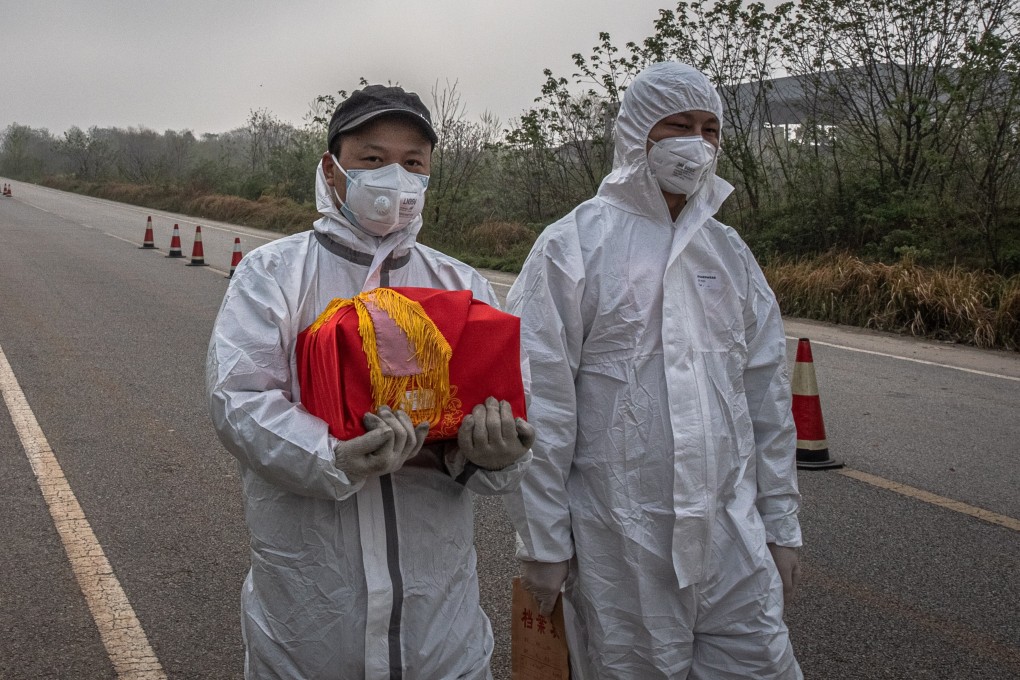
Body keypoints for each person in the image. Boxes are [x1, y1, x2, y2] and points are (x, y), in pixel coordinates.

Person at [207, 84, 534, 680]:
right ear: (332, 172)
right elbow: (240, 399)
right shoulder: (274, 274)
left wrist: (495, 456)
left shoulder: (462, 286)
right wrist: (333, 455)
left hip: (439, 617)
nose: (396, 177)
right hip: (312, 606)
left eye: (413, 164)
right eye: (373, 159)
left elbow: (503, 401)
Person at [503, 62, 804, 679]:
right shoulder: (574, 246)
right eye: (678, 125)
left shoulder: (728, 252)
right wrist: (544, 542)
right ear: (639, 133)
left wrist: (781, 522)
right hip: (622, 545)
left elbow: (766, 401)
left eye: (710, 128)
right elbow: (541, 406)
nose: (697, 141)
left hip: (732, 539)